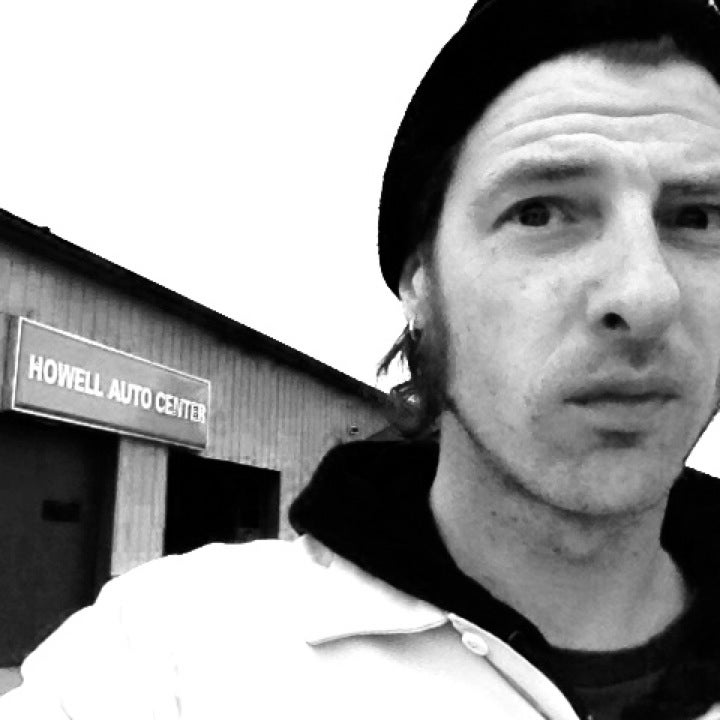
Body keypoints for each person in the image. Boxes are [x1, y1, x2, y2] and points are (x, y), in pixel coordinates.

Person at [5, 0, 720, 718]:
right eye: (539, 211)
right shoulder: (168, 660)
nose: (645, 293)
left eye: (699, 217)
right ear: (420, 281)